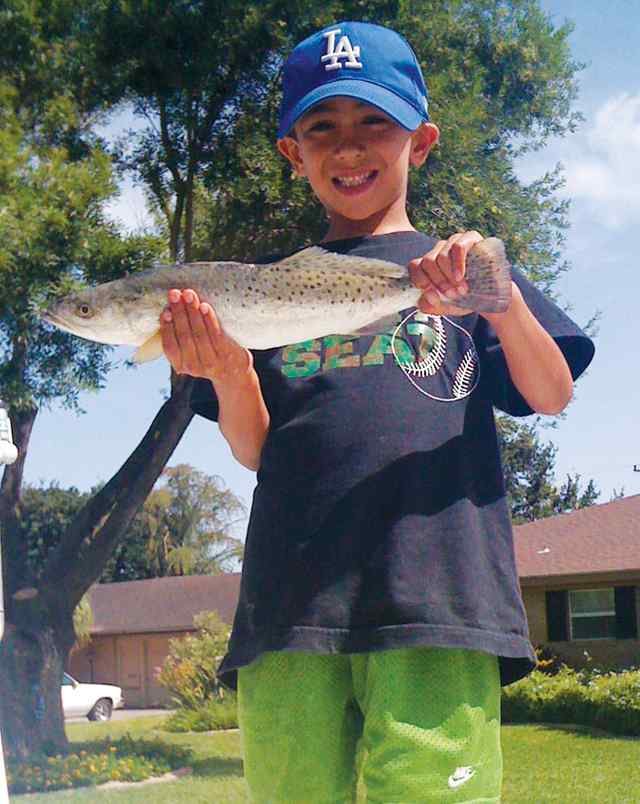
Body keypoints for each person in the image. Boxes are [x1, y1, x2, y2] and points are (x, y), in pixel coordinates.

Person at [159, 21, 595, 804]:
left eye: (374, 123)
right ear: (293, 154)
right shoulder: (256, 294)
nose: (348, 148)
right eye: (321, 127)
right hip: (290, 609)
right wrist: (228, 369)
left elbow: (550, 394)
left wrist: (500, 305)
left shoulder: (466, 271)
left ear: (420, 142)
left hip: (440, 603)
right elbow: (258, 450)